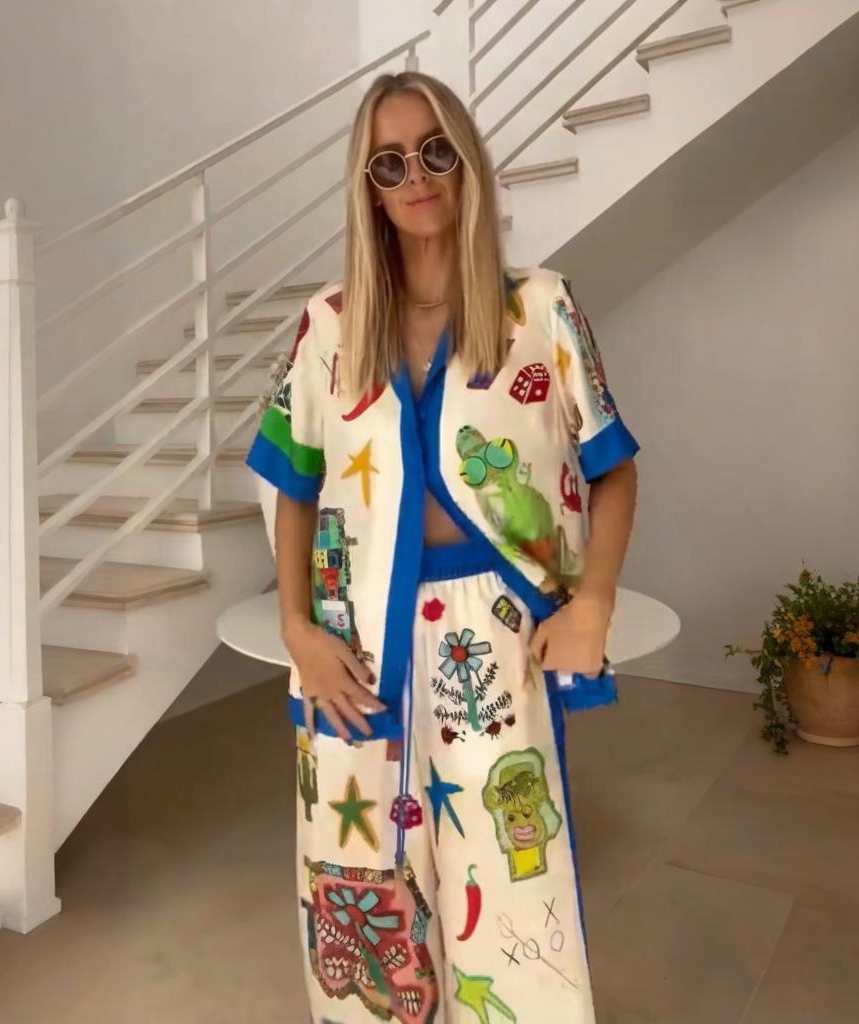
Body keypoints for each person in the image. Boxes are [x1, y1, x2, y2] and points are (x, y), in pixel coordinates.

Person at [245, 69, 639, 1024]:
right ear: (368, 188)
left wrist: (593, 601)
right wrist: (297, 628)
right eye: (389, 163)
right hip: (356, 647)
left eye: (434, 151)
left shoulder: (540, 309)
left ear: (467, 163)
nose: (415, 175)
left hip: (493, 637)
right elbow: (293, 485)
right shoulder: (328, 325)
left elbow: (614, 467)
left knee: (512, 883)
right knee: (357, 888)